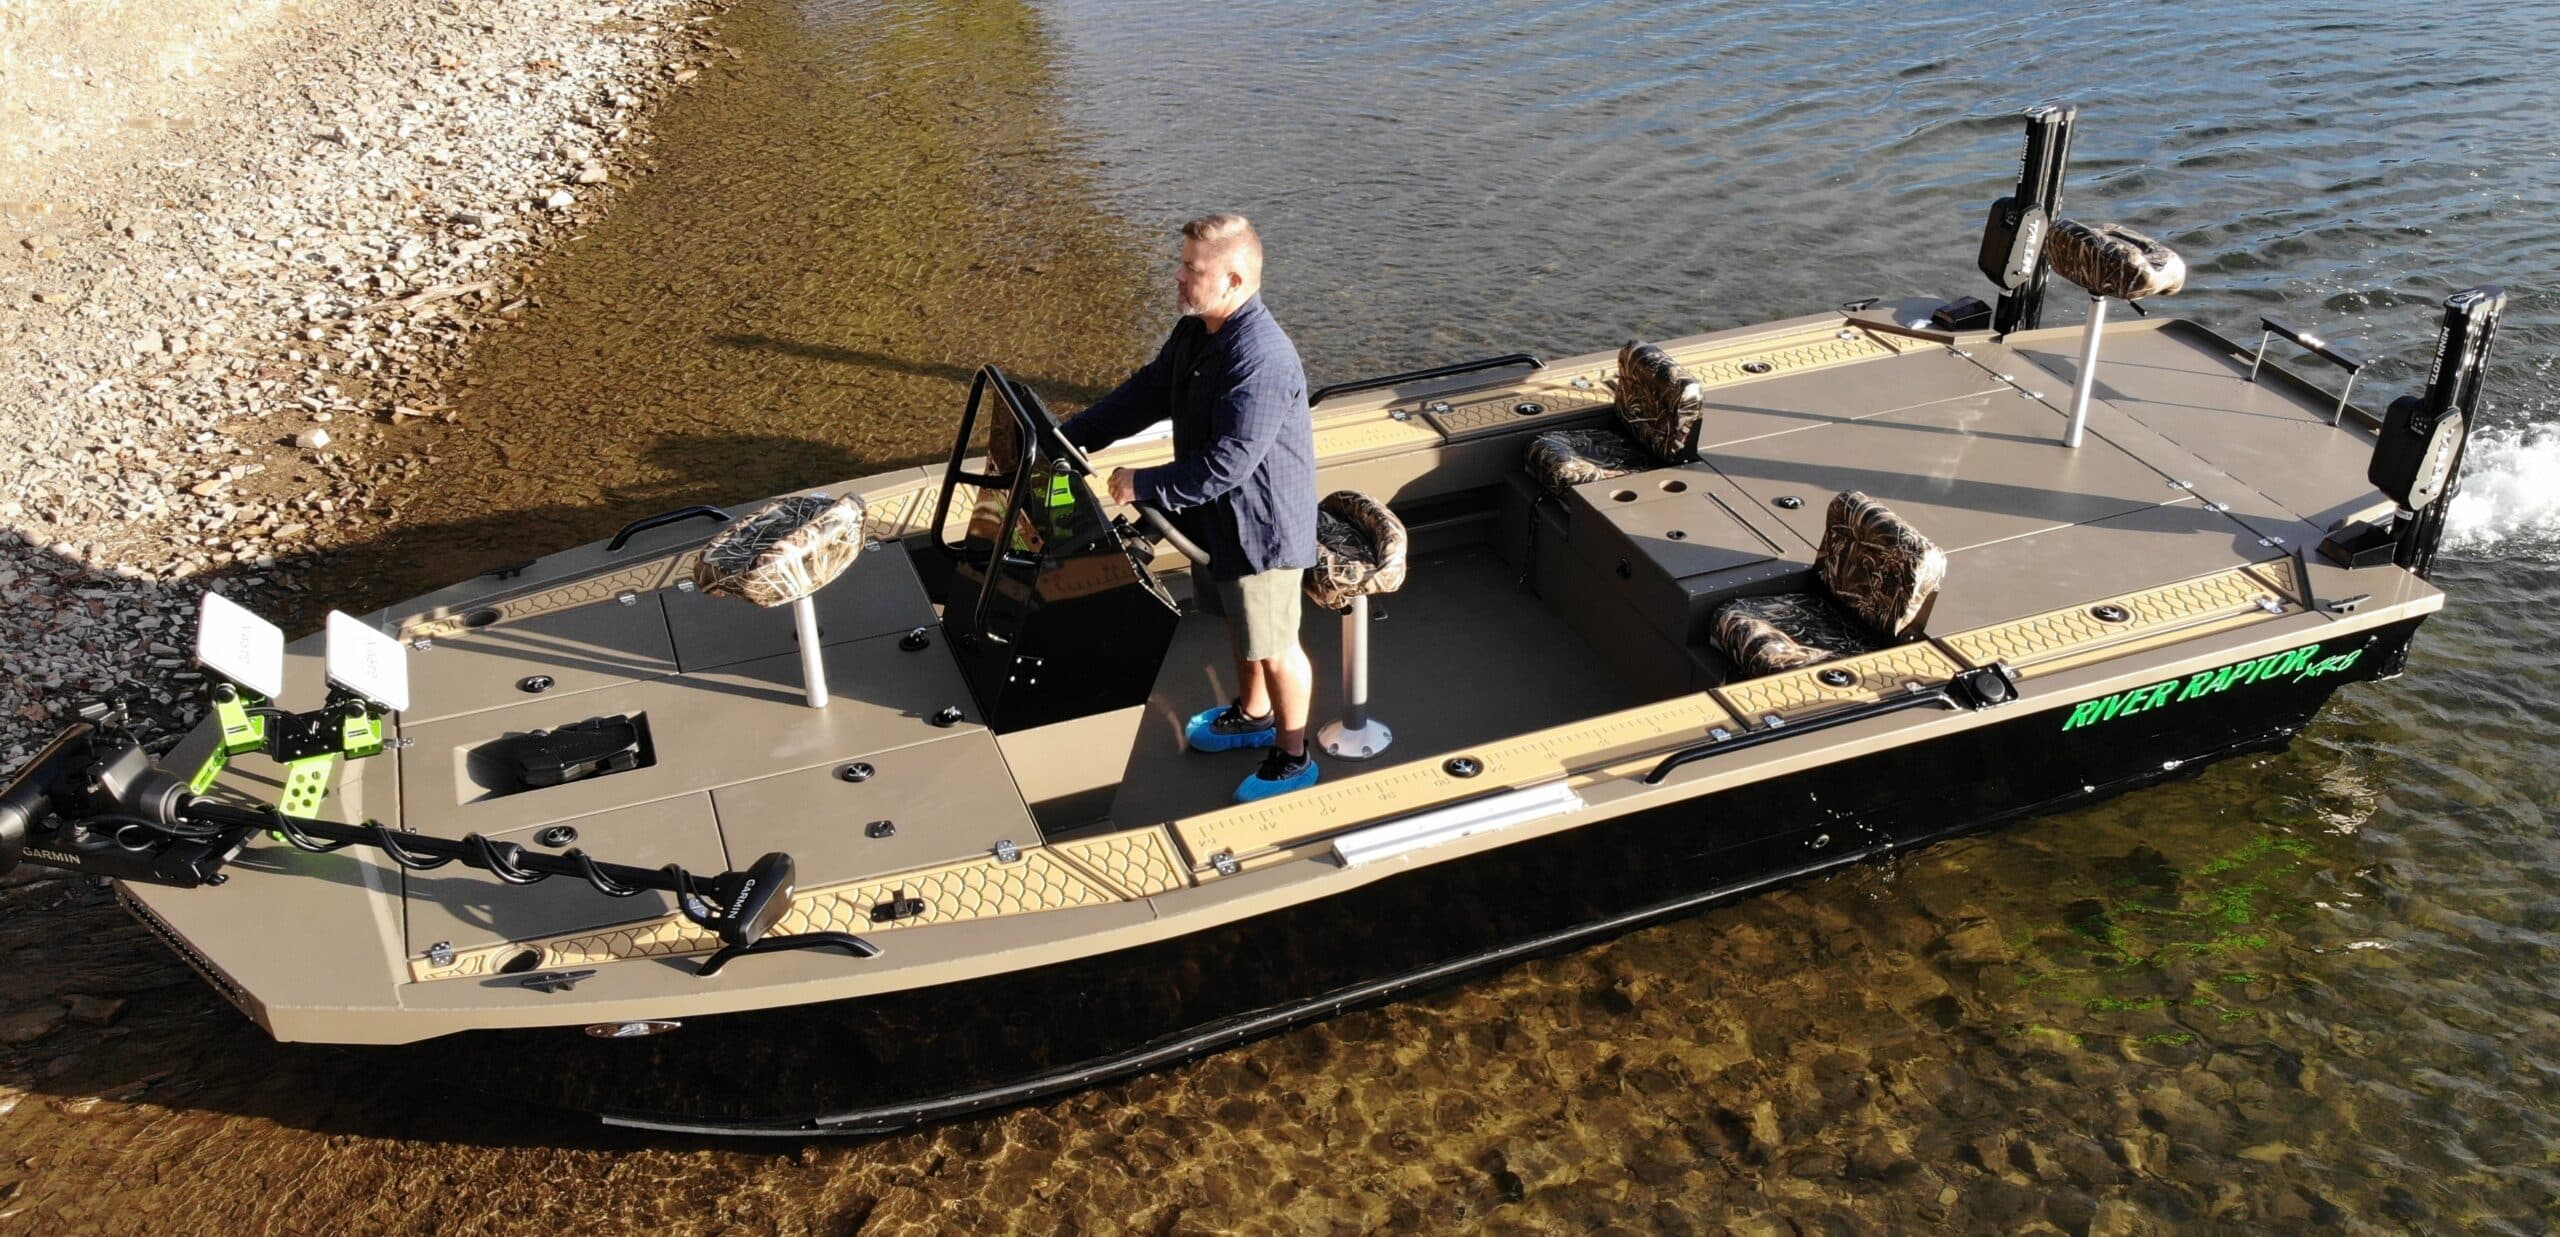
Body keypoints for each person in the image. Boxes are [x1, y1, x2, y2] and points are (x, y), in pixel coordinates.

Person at [1061, 213, 1319, 802]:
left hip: (1263, 532)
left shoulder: (1262, 359)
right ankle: (1254, 716)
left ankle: (1294, 755)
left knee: (1276, 646)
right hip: (1216, 520)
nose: (1177, 277)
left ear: (1232, 279)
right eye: (1181, 264)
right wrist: (1070, 436)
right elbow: (1148, 393)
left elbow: (1231, 461)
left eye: (1190, 269)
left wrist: (1142, 484)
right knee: (1239, 626)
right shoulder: (1197, 332)